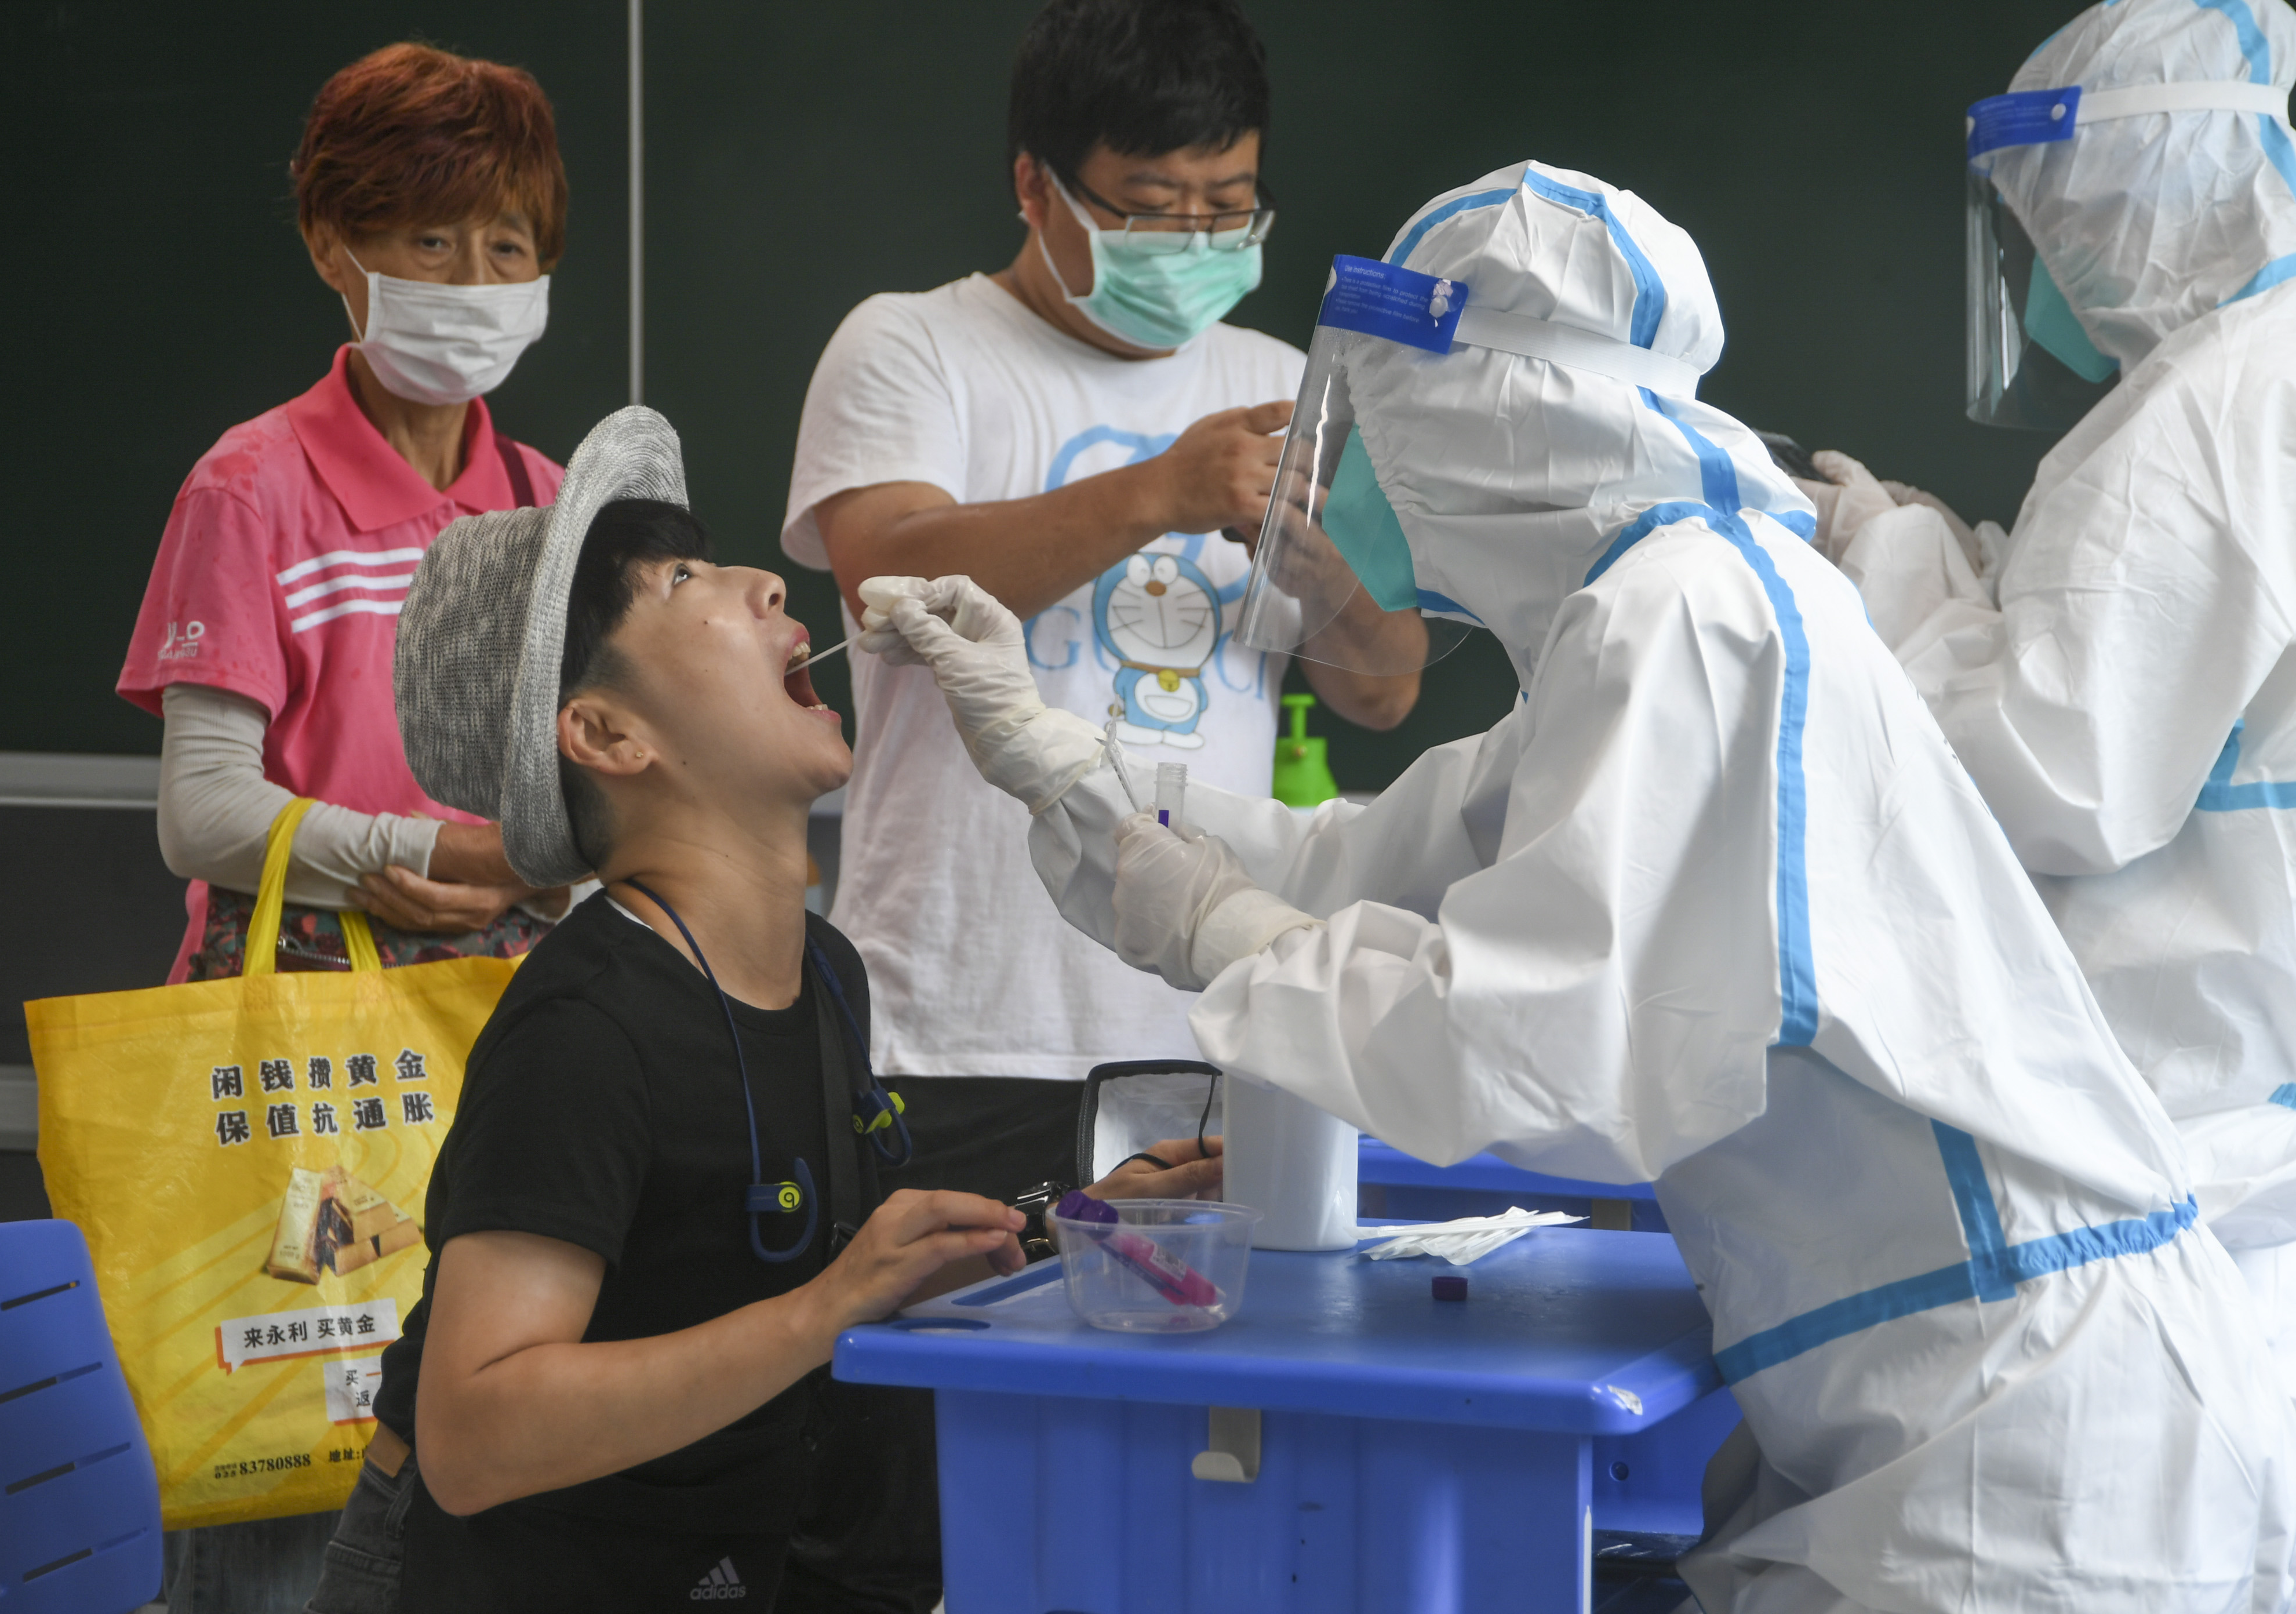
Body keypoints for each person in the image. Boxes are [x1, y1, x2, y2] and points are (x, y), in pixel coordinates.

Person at [864, 162, 2296, 1612]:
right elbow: (1369, 855)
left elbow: (1526, 1049)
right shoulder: (1656, 610)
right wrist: (1064, 764)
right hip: (1935, 1403)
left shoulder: (1691, 619)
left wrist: (1213, 929)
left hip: (2010, 1440)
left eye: (1378, 417)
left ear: (1480, 415)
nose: (1351, 476)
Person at [307, 405, 1222, 1612]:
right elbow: (476, 1437)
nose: (759, 580)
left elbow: (782, 1268)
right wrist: (827, 1310)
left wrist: (1068, 1227)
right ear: (607, 733)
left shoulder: (824, 969)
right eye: (683, 578)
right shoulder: (586, 1029)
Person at [783, 0, 1419, 1209]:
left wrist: (1317, 568)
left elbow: (1384, 688)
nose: (1191, 237)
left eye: (1227, 207)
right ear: (1035, 185)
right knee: (958, 1378)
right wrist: (1162, 491)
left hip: (1218, 1013)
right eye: (1147, 206)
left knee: (1199, 1388)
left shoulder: (1284, 385)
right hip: (966, 1019)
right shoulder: (913, 348)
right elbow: (887, 578)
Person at [112, 43, 573, 1612]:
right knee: (283, 1519)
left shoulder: (553, 507)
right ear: (334, 248)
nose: (476, 279)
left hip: (512, 1054)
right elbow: (201, 814)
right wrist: (412, 851)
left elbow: (585, 793)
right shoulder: (254, 489)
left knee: (497, 1494)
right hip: (302, 1067)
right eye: (432, 240)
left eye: (509, 247)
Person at [1797, 0, 2296, 1401]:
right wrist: (1925, 550)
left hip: (2193, 1151)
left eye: (2048, 219)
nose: (2038, 268)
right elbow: (2159, 658)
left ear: (2122, 196)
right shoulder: (2255, 376)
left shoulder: (2198, 415)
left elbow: (2054, 770)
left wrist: (1880, 565)